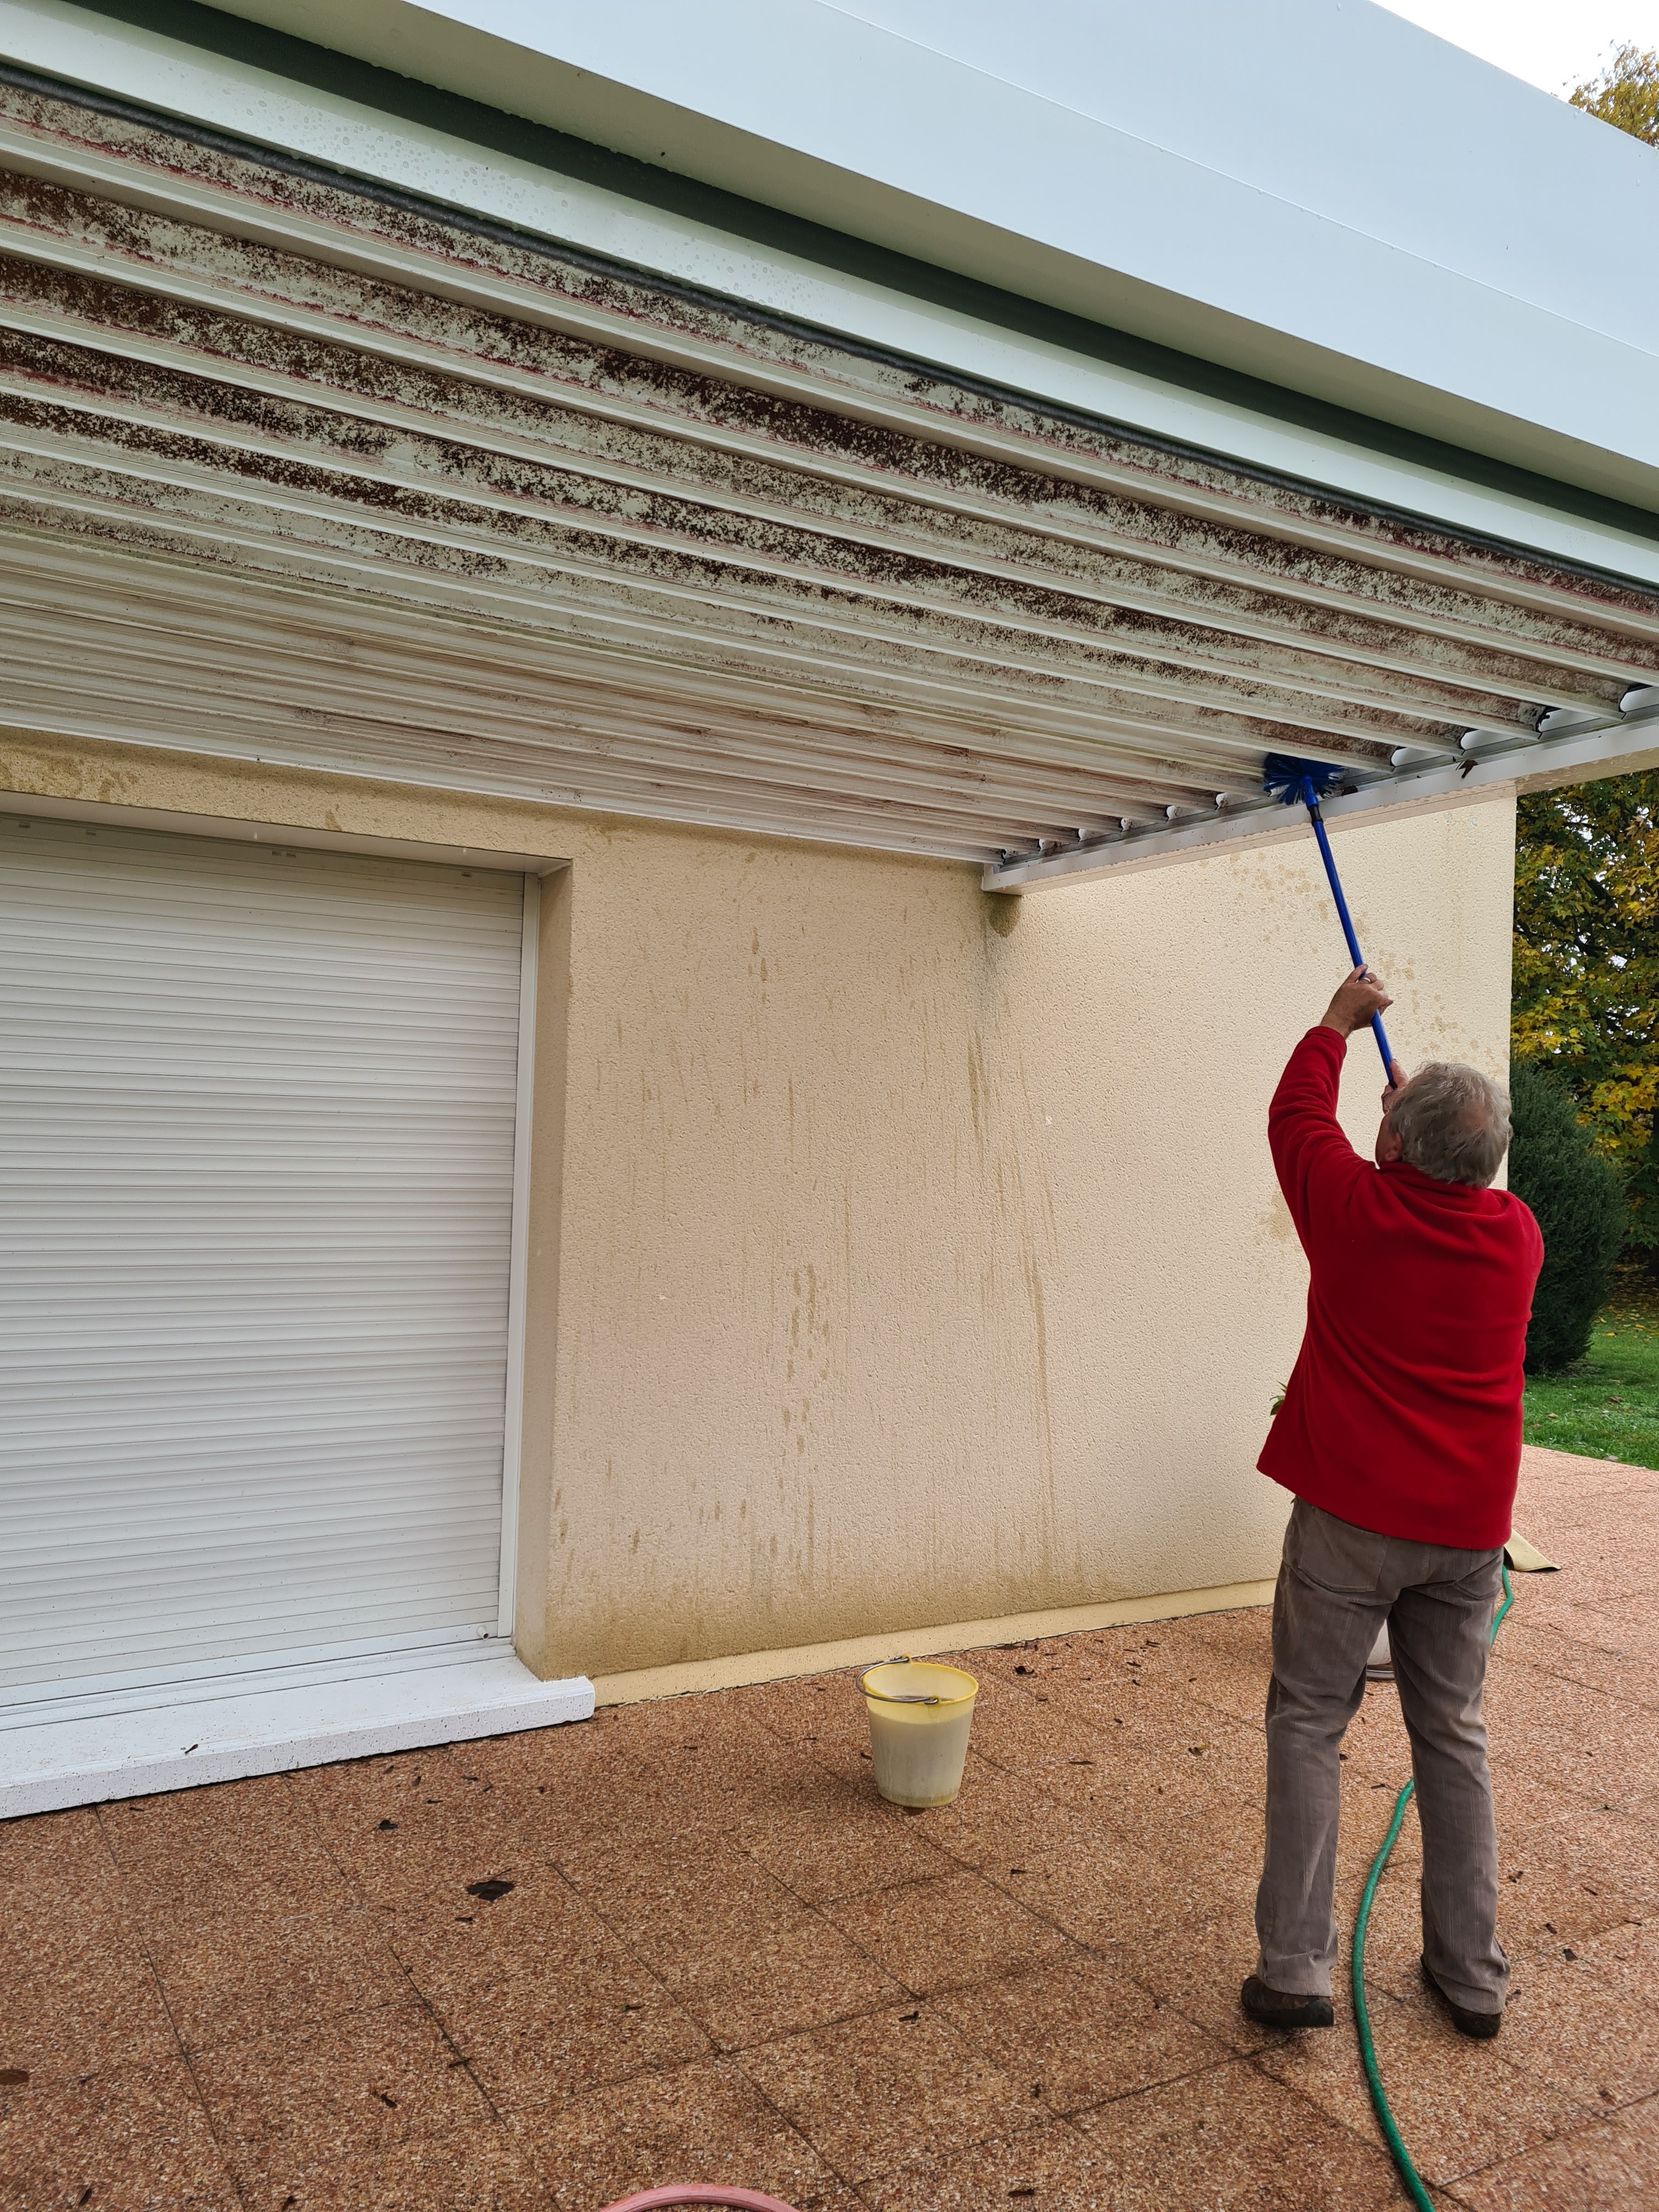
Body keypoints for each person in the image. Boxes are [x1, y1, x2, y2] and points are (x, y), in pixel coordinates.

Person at [1242, 966, 1543, 2040]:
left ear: (1397, 1150)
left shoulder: (1355, 1209)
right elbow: (1451, 1174)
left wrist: (1336, 1024)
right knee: (1451, 1737)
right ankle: (1470, 1975)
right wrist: (1415, 1129)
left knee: (1309, 1721)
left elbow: (1292, 1116)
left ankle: (1295, 1971)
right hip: (1466, 1541)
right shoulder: (1517, 1239)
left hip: (1349, 1525)